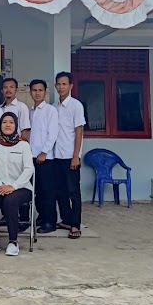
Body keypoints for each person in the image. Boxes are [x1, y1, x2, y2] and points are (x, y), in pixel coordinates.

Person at [0, 112, 34, 256]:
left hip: (21, 187)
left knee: (10, 200)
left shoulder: (23, 145)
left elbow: (29, 169)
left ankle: (13, 242)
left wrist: (13, 186)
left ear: (16, 126)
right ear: (0, 125)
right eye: (4, 122)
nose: (7, 125)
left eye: (11, 122)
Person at [53, 72, 86, 240]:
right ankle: (66, 220)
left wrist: (76, 156)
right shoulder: (54, 106)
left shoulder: (76, 106)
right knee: (60, 191)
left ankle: (75, 225)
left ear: (71, 86)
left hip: (70, 155)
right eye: (58, 84)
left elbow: (79, 132)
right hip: (56, 156)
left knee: (74, 192)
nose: (61, 87)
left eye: (64, 84)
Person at [28, 79, 59, 234]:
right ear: (30, 92)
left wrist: (44, 152)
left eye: (40, 90)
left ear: (45, 92)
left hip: (45, 158)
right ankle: (41, 216)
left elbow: (52, 134)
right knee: (37, 190)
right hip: (31, 157)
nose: (37, 93)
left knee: (47, 191)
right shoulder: (30, 111)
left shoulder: (50, 111)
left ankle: (50, 221)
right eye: (34, 90)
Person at [0, 78, 31, 142]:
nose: (8, 90)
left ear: (16, 90)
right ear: (2, 91)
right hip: (1, 145)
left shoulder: (22, 107)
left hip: (16, 145)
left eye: (11, 87)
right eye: (5, 87)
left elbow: (25, 130)